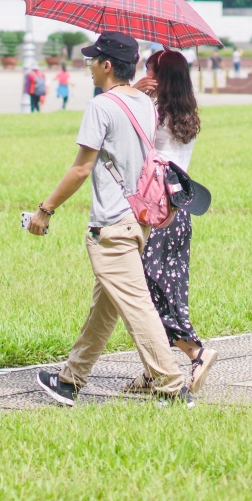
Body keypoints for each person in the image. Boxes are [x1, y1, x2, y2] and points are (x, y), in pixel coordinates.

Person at [26, 33, 190, 407]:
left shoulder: (101, 106)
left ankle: (171, 385)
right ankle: (70, 380)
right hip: (138, 221)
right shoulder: (145, 105)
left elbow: (81, 169)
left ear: (107, 65)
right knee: (106, 307)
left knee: (136, 307)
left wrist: (45, 209)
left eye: (92, 60)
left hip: (112, 225)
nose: (88, 67)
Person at [132, 47, 217, 394]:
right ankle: (151, 374)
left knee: (147, 291)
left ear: (159, 78)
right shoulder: (187, 116)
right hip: (181, 212)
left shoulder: (153, 114)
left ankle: (196, 352)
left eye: (150, 70)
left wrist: (135, 93)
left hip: (157, 212)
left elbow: (125, 136)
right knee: (170, 288)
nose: (146, 74)